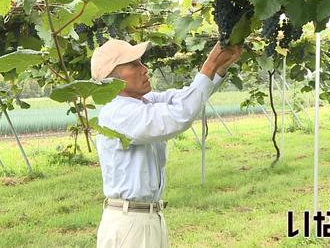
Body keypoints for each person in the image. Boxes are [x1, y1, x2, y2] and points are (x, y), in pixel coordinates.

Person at [90, 39, 243, 248]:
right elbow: (179, 115)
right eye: (134, 64)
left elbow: (184, 98)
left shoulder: (143, 103)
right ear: (111, 79)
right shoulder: (119, 113)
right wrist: (209, 64)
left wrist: (219, 68)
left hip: (147, 218)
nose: (144, 69)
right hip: (130, 226)